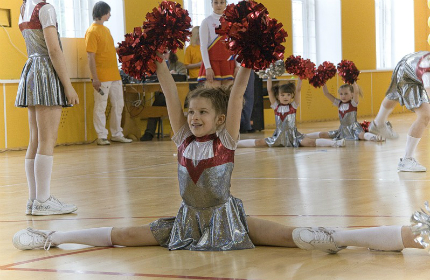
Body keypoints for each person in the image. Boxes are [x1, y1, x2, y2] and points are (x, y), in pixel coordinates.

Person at [12, 60, 425, 255]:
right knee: (123, 235)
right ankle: (49, 238)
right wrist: (156, 61)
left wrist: (246, 61)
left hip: (230, 219)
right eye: (191, 113)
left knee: (304, 238)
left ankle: (396, 237)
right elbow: (171, 93)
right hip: (188, 222)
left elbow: (240, 92)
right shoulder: (181, 137)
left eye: (202, 113)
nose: (193, 117)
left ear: (218, 117)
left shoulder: (225, 139)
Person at [16, 0, 79, 215]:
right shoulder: (46, 9)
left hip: (31, 69)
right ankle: (43, 200)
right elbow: (53, 49)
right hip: (45, 73)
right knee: (47, 139)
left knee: (35, 139)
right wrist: (68, 86)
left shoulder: (24, 10)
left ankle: (34, 199)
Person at [237, 76, 345, 148]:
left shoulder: (293, 106)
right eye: (283, 95)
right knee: (260, 142)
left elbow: (298, 90)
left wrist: (300, 77)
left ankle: (335, 143)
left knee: (309, 142)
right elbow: (269, 90)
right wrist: (269, 75)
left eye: (288, 95)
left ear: (291, 96)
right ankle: (236, 144)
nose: (285, 97)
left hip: (293, 136)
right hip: (278, 136)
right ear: (278, 97)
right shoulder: (276, 106)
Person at [368, 51, 430, 172]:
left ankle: (378, 122)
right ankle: (407, 159)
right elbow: (428, 91)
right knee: (425, 115)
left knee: (395, 93)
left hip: (404, 65)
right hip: (410, 74)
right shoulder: (427, 68)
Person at [85, 1, 132, 146]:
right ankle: (101, 136)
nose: (110, 15)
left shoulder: (106, 30)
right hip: (102, 76)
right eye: (108, 12)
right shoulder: (92, 31)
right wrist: (95, 78)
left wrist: (125, 46)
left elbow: (109, 50)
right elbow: (90, 56)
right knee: (101, 106)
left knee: (119, 105)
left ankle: (117, 133)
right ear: (103, 12)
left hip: (114, 75)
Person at [305, 83, 384, 142]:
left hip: (354, 128)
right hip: (342, 129)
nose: (343, 96)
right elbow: (326, 94)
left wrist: (353, 82)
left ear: (351, 95)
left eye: (346, 94)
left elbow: (356, 92)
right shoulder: (339, 103)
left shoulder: (353, 104)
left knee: (361, 135)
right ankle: (304, 136)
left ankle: (376, 138)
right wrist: (323, 83)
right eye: (341, 94)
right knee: (323, 134)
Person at [140, 51, 187, 141]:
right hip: (163, 94)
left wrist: (173, 73)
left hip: (179, 94)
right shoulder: (157, 65)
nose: (164, 55)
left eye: (165, 53)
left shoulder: (179, 64)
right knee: (154, 107)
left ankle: (178, 132)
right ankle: (149, 133)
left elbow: (183, 76)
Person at [197, 0, 237, 87]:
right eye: (216, 2)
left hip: (228, 62)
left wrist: (237, 65)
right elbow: (203, 47)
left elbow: (235, 45)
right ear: (211, 4)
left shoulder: (232, 22)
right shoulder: (206, 21)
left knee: (227, 96)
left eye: (222, 2)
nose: (219, 5)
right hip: (212, 63)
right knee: (213, 97)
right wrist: (208, 67)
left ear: (226, 4)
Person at [184, 26, 202, 92]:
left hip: (205, 77)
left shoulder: (206, 47)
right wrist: (199, 64)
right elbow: (186, 65)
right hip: (194, 78)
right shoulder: (190, 48)